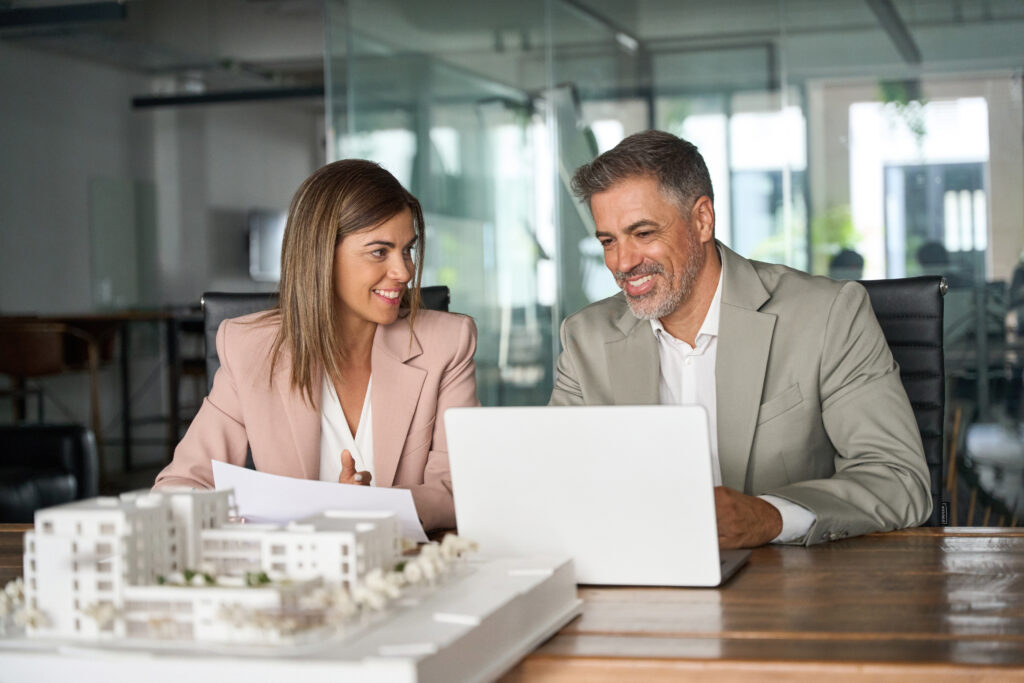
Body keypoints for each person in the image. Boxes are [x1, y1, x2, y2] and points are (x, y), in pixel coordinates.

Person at [551, 130, 931, 548]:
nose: (622, 262)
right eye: (608, 241)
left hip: (792, 578)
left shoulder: (827, 315)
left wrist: (771, 517)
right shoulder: (585, 339)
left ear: (702, 220)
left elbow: (898, 479)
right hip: (642, 569)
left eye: (643, 234)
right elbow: (553, 482)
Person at [154, 160, 479, 532]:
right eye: (380, 252)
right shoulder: (249, 348)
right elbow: (179, 486)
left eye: (407, 250)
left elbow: (457, 487)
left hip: (407, 560)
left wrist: (367, 508)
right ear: (321, 254)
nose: (403, 272)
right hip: (293, 563)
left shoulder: (447, 343)